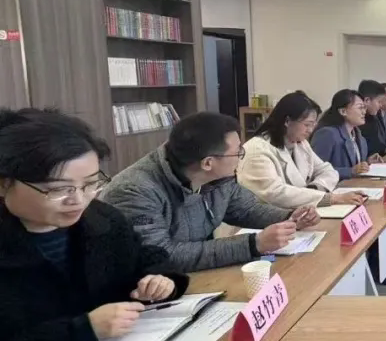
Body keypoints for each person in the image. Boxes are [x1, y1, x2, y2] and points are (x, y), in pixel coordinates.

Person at [0, 108, 190, 341]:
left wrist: (160, 279)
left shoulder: (102, 219)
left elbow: (145, 257)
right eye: (59, 189)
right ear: (4, 183)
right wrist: (80, 332)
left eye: (90, 184)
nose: (78, 200)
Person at [101, 112, 320, 273]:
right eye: (237, 152)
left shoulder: (219, 176)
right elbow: (162, 256)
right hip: (141, 295)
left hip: (194, 276)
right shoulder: (135, 191)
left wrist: (290, 217)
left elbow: (245, 209)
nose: (241, 156)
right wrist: (253, 244)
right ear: (208, 163)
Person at [238, 91, 365, 209]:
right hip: (267, 219)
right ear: (287, 121)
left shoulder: (300, 143)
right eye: (307, 124)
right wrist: (330, 198)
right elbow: (276, 193)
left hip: (298, 212)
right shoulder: (257, 150)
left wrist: (315, 188)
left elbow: (327, 170)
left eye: (313, 124)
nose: (310, 130)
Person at [312, 89, 379, 179]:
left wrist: (367, 162)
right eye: (360, 108)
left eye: (364, 108)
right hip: (336, 186)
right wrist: (350, 171)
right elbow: (315, 171)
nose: (364, 112)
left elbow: (354, 166)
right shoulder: (327, 134)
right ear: (343, 111)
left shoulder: (357, 134)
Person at [357, 80, 386, 156]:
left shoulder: (372, 117)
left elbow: (374, 144)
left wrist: (383, 150)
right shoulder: (356, 121)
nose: (381, 105)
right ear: (367, 100)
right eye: (379, 102)